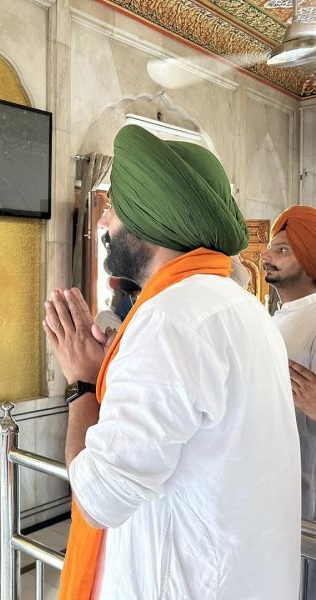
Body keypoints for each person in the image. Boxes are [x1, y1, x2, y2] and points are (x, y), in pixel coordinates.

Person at [44, 124, 300, 599]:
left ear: (149, 217)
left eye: (115, 208)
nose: (103, 223)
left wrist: (83, 384)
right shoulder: (239, 304)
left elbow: (99, 497)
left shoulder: (171, 320)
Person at [262, 205, 316, 599]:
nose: (266, 256)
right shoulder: (274, 318)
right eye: (270, 249)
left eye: (282, 250)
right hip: (279, 495)